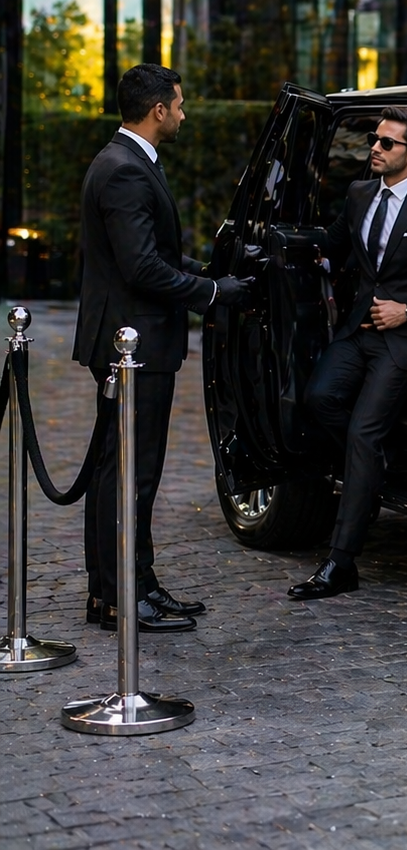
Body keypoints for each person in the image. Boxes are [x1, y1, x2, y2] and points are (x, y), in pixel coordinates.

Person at [74, 63, 250, 632]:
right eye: (178, 104)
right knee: (130, 473)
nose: (182, 113)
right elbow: (142, 267)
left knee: (118, 472)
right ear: (157, 110)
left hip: (133, 338)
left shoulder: (125, 161)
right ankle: (122, 596)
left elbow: (150, 253)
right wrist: (214, 291)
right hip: (133, 343)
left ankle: (127, 588)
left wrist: (203, 269)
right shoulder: (125, 169)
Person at [289, 105, 407, 599]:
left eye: (386, 143)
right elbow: (331, 245)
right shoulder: (359, 194)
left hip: (403, 338)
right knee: (319, 400)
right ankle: (373, 465)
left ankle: (341, 562)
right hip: (358, 329)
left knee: (362, 433)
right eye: (375, 140)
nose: (374, 149)